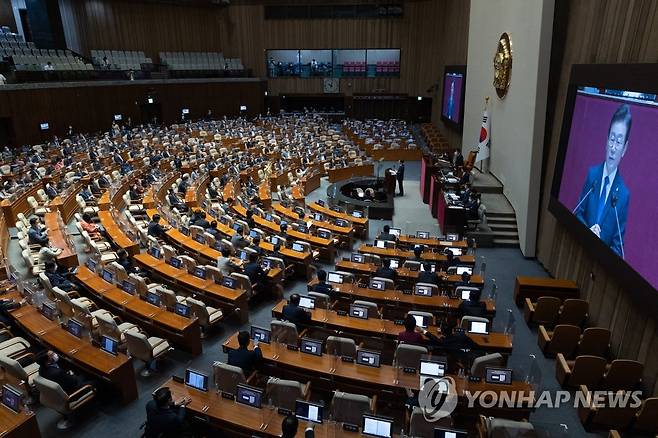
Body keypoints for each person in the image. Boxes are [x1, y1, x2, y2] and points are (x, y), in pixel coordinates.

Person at [574, 104, 631, 258]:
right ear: (606, 141)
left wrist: (601, 251)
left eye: (618, 142)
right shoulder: (592, 175)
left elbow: (618, 247)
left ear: (624, 148)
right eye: (612, 139)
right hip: (578, 251)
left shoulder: (624, 196)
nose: (613, 147)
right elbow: (577, 213)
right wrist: (588, 232)